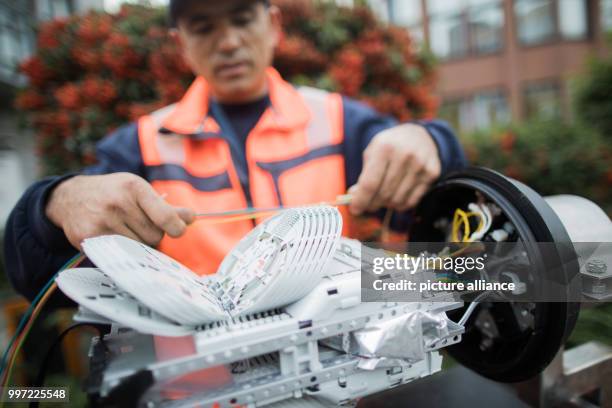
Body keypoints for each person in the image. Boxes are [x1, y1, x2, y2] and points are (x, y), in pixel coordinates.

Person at [3, 0, 466, 303]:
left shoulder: (341, 120)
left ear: (274, 24)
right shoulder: (139, 145)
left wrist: (430, 141)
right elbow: (38, 275)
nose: (228, 42)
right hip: (199, 379)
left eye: (242, 19)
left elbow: (443, 205)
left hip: (340, 366)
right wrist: (57, 202)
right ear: (180, 44)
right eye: (203, 27)